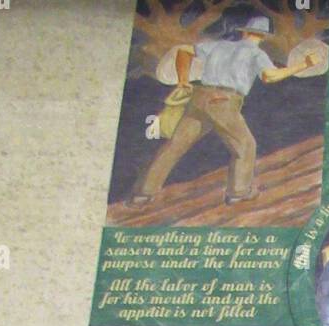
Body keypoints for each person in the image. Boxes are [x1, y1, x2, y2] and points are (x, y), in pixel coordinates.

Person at [128, 13, 317, 207]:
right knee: (245, 145)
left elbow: (184, 51)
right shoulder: (256, 54)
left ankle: (143, 193)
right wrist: (303, 65)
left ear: (245, 33)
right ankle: (238, 192)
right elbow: (270, 76)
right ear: (262, 36)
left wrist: (183, 81)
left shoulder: (219, 45)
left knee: (175, 145)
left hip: (199, 97)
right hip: (224, 101)